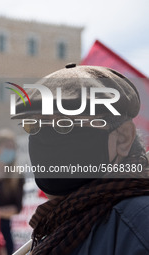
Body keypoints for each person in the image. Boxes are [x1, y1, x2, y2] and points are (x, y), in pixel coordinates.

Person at [12, 64, 149, 255]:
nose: (46, 138)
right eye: (34, 125)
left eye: (66, 123)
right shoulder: (60, 224)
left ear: (123, 137)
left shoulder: (139, 227)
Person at [0, 129, 24, 254]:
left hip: (2, 232)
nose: (10, 151)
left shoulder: (17, 175)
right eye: (6, 147)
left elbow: (17, 208)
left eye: (12, 148)